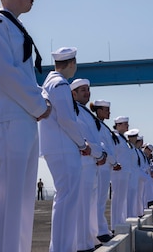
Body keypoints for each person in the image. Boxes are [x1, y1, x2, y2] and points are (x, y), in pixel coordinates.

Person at [0, 0, 51, 252]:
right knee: (11, 198)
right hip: (9, 119)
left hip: (22, 118)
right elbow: (4, 74)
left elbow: (20, 76)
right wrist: (39, 104)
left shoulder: (11, 25)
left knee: (22, 199)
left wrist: (38, 102)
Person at [39, 47, 91, 252]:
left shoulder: (50, 82)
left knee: (64, 199)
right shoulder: (60, 85)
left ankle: (60, 247)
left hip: (57, 147)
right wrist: (82, 144)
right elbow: (67, 119)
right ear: (71, 63)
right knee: (67, 201)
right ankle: (62, 248)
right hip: (64, 148)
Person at [70, 79, 107, 252]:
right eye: (82, 90)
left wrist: (100, 154)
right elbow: (85, 138)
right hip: (84, 163)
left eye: (88, 90)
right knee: (82, 206)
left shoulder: (85, 112)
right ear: (73, 94)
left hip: (92, 163)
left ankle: (88, 240)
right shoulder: (75, 111)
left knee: (90, 205)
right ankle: (81, 244)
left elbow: (95, 139)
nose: (87, 93)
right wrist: (99, 154)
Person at [89, 100, 121, 244]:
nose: (109, 113)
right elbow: (103, 147)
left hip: (106, 165)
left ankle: (101, 230)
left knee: (100, 199)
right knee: (98, 200)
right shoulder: (96, 124)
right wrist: (114, 161)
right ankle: (100, 231)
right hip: (102, 165)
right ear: (99, 110)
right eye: (106, 110)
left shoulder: (102, 125)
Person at [110, 116, 133, 231]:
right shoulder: (114, 137)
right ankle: (115, 224)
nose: (127, 126)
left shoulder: (122, 139)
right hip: (118, 172)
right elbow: (113, 152)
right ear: (118, 125)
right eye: (125, 124)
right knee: (117, 198)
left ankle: (120, 221)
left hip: (124, 172)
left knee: (122, 199)